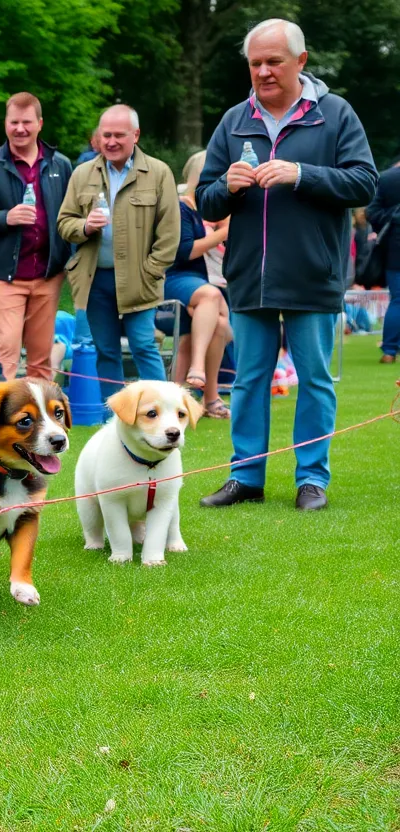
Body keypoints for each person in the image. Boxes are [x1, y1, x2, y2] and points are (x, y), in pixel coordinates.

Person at [196, 18, 377, 511]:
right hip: (250, 275)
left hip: (313, 274)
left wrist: (303, 174)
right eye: (255, 63)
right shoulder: (234, 120)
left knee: (315, 379)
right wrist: (226, 187)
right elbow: (205, 201)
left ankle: (311, 479)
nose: (263, 71)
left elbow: (364, 183)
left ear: (301, 61)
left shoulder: (335, 114)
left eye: (274, 61)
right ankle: (245, 476)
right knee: (250, 379)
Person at [57, 105, 180, 403]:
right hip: (95, 278)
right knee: (106, 350)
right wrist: (85, 226)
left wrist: (151, 270)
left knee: (143, 346)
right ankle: (116, 422)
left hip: (140, 279)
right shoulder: (82, 174)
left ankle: (161, 414)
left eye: (119, 135)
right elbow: (64, 223)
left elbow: (170, 233)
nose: (111, 141)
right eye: (105, 135)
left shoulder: (158, 172)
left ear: (135, 135)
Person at [0, 92, 73, 381]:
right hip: (5, 276)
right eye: (14, 122)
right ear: (6, 124)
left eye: (27, 122)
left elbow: (70, 217)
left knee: (41, 358)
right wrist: (5, 217)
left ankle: (39, 422)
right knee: (4, 354)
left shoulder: (60, 164)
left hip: (48, 276)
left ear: (40, 123)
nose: (20, 129)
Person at [167, 150, 232, 418]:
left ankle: (208, 397)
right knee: (210, 295)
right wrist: (225, 232)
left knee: (219, 324)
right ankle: (198, 369)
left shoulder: (207, 209)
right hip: (172, 279)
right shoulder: (181, 206)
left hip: (197, 284)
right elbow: (185, 251)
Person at [367, 156, 400, 363]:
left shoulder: (387, 178)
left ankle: (389, 350)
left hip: (395, 250)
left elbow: (372, 212)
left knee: (397, 300)